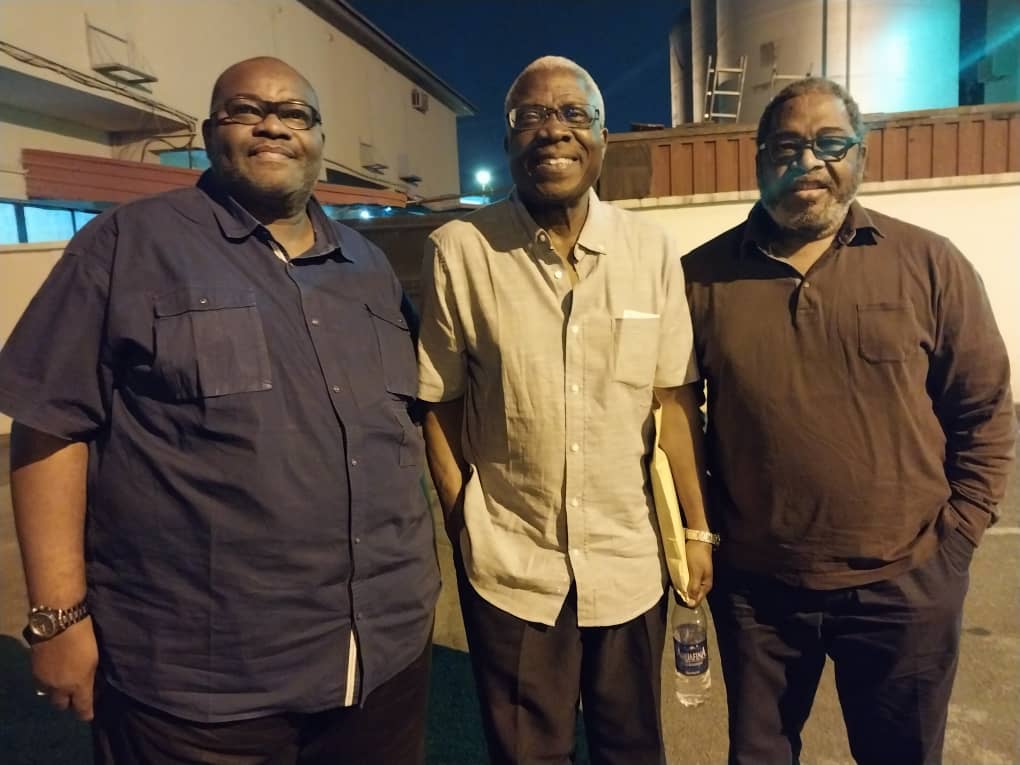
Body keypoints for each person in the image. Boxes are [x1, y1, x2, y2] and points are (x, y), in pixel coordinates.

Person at [0, 57, 439, 764]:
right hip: (201, 682)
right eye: (245, 110)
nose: (272, 124)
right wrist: (57, 617)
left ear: (319, 138)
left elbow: (412, 420)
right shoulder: (127, 245)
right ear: (210, 132)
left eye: (294, 113)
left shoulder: (369, 268)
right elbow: (50, 421)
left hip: (382, 657)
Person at [683, 77, 1015, 765]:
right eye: (787, 145)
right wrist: (705, 535)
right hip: (759, 593)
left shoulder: (930, 263)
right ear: (759, 158)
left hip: (905, 583)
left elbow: (983, 409)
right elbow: (675, 417)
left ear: (861, 156)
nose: (809, 161)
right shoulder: (699, 277)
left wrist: (954, 543)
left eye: (831, 143)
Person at [417, 55, 715, 765]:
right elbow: (440, 402)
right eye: (530, 116)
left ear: (602, 138)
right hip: (513, 568)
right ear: (509, 141)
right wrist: (466, 520)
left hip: (631, 560)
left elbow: (670, 401)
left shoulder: (649, 249)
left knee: (632, 749)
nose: (553, 130)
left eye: (573, 114)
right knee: (527, 752)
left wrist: (698, 530)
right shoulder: (460, 251)